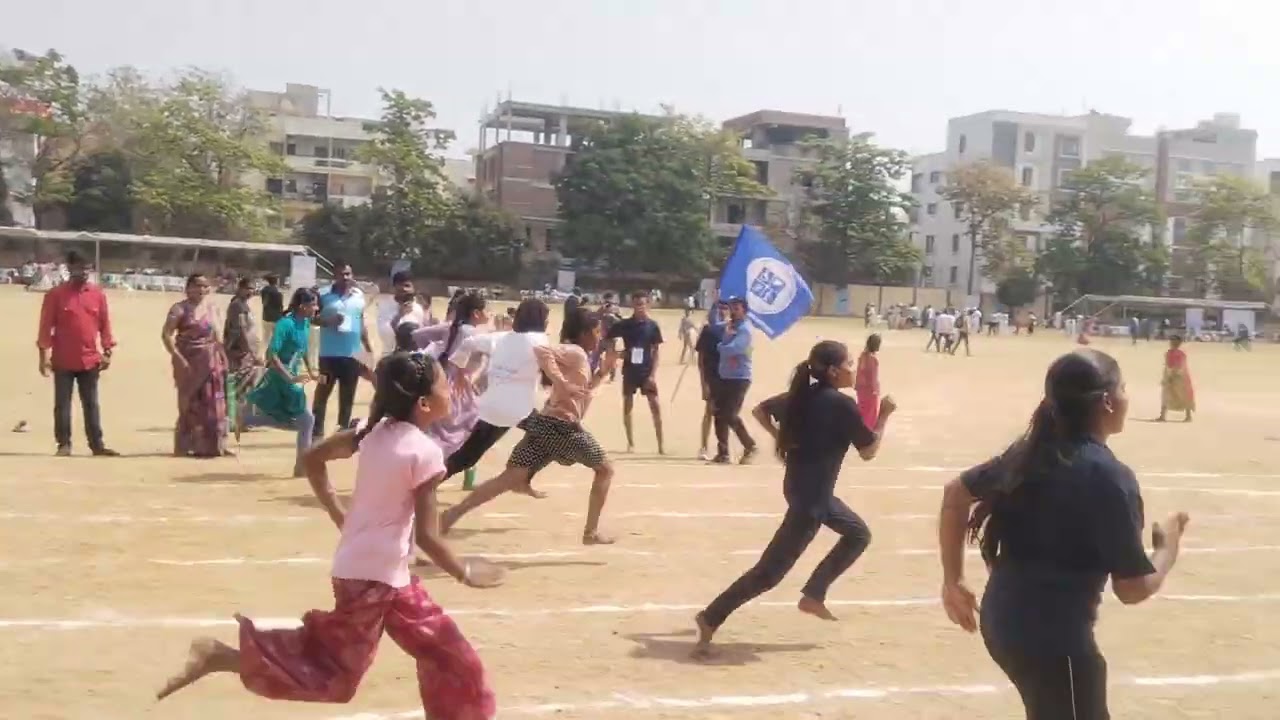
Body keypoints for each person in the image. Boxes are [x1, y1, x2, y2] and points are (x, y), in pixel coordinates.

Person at [155, 352, 502, 719]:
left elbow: (312, 458)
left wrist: (338, 511)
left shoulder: (370, 431)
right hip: (373, 581)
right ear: (424, 403)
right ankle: (220, 656)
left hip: (384, 576)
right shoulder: (425, 453)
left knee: (451, 657)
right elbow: (429, 538)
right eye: (445, 385)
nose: (451, 391)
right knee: (333, 678)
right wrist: (464, 571)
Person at [937, 349, 1190, 720]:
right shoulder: (1109, 476)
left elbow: (954, 494)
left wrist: (952, 580)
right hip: (1054, 642)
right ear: (1106, 401)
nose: (1126, 396)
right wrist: (1167, 550)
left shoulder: (1029, 453)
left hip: (1004, 621)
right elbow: (1132, 588)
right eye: (1122, 388)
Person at [695, 341, 895, 657]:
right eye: (848, 364)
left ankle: (814, 594)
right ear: (832, 371)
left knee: (858, 533)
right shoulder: (840, 405)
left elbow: (760, 410)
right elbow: (869, 451)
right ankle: (711, 616)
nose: (852, 370)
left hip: (804, 489)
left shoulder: (802, 396)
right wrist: (883, 415)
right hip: (811, 498)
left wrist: (780, 439)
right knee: (769, 574)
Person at [441, 308, 617, 545]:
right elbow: (541, 350)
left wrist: (602, 373)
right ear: (585, 333)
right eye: (597, 332)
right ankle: (591, 532)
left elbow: (582, 394)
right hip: (561, 428)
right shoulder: (574, 352)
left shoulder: (579, 357)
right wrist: (561, 382)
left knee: (510, 477)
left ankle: (450, 515)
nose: (599, 338)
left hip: (548, 424)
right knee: (605, 470)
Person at [440, 298, 551, 483]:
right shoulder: (540, 340)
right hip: (519, 411)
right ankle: (520, 476)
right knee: (555, 439)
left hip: (491, 408)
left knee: (465, 458)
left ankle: (424, 487)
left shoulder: (500, 337)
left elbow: (469, 343)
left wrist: (460, 371)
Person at [36, 250, 119, 457]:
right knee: (62, 404)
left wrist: (107, 350)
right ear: (69, 268)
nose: (82, 272)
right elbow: (45, 326)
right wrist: (43, 356)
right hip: (63, 359)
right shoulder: (55, 295)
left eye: (87, 268)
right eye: (78, 267)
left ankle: (97, 445)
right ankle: (64, 444)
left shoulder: (97, 295)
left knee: (91, 404)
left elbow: (104, 324)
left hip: (90, 360)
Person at [241, 289, 321, 476]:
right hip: (282, 378)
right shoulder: (285, 324)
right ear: (303, 306)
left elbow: (303, 349)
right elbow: (272, 354)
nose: (316, 308)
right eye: (313, 304)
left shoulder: (306, 322)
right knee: (306, 421)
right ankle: (302, 467)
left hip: (291, 376)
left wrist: (311, 370)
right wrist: (289, 377)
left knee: (300, 422)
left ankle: (248, 419)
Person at [161, 273, 229, 458]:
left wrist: (223, 358)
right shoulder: (179, 309)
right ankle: (186, 446)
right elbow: (166, 335)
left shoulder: (212, 308)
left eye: (204, 286)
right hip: (188, 363)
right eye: (197, 285)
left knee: (214, 403)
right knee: (188, 405)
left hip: (211, 361)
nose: (201, 290)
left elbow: (217, 336)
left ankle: (213, 446)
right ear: (188, 287)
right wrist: (177, 357)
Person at [423, 293, 490, 460]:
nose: (490, 313)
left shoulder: (454, 328)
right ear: (476, 313)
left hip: (443, 381)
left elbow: (418, 334)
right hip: (461, 387)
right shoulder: (472, 333)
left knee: (439, 431)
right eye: (487, 310)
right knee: (463, 431)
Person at [312, 262, 372, 437]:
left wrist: (367, 348)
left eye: (348, 274)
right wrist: (328, 322)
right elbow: (311, 318)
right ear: (334, 275)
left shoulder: (358, 295)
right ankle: (317, 430)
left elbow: (360, 322)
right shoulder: (323, 295)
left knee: (347, 396)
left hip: (352, 355)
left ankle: (343, 430)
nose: (345, 278)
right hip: (328, 356)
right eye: (341, 274)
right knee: (322, 393)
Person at [607, 291, 665, 454]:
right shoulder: (625, 324)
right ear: (632, 305)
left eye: (642, 303)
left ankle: (660, 445)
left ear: (648, 304)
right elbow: (607, 338)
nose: (640, 307)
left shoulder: (652, 326)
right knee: (628, 407)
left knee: (655, 407)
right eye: (637, 304)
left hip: (646, 371)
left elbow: (656, 351)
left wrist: (653, 375)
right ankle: (630, 443)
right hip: (630, 371)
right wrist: (617, 354)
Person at [710, 297, 758, 464]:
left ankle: (749, 445)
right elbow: (714, 325)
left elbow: (734, 349)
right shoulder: (730, 326)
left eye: (736, 308)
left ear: (744, 310)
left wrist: (720, 346)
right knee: (718, 413)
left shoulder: (745, 330)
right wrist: (715, 305)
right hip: (725, 375)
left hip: (739, 377)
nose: (732, 311)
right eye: (731, 308)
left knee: (730, 414)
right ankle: (723, 452)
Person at [695, 302, 730, 460]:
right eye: (719, 308)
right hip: (712, 376)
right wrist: (704, 383)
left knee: (726, 414)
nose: (722, 312)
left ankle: (723, 448)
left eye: (725, 309)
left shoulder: (734, 330)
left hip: (729, 377)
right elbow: (701, 360)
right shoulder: (708, 331)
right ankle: (703, 446)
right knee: (709, 411)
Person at [224, 277, 263, 404]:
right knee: (237, 386)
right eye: (248, 288)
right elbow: (241, 331)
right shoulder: (237, 306)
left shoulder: (242, 304)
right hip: (239, 353)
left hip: (245, 353)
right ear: (240, 289)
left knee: (245, 386)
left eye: (253, 289)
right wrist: (252, 353)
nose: (250, 291)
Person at [380, 271, 428, 357]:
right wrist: (399, 315)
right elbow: (384, 334)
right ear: (394, 288)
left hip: (413, 358)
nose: (404, 289)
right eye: (400, 286)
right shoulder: (385, 306)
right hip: (390, 357)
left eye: (407, 286)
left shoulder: (418, 309)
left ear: (413, 288)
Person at [1159, 335, 1195, 422]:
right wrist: (1168, 376)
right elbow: (1167, 365)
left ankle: (1188, 416)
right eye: (1171, 341)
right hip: (1170, 375)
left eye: (1174, 341)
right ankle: (1162, 416)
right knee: (1166, 395)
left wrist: (1174, 374)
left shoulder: (1181, 353)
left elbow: (1180, 366)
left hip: (1180, 377)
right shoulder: (1168, 352)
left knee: (1184, 396)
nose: (1172, 343)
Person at [854, 334, 881, 428]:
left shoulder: (862, 355)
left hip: (861, 388)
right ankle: (867, 430)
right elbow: (873, 377)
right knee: (870, 412)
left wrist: (856, 385)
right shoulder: (873, 359)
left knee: (862, 409)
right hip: (869, 389)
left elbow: (859, 371)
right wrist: (875, 390)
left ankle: (860, 428)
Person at [259, 274, 284, 340]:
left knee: (265, 337)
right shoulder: (278, 292)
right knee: (276, 338)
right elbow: (280, 306)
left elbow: (264, 302)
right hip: (275, 318)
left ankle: (263, 349)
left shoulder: (264, 290)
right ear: (276, 281)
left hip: (266, 316)